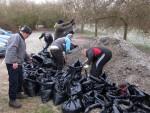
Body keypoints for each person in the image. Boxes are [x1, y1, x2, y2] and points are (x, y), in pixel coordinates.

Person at [5, 25, 32, 108]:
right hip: (13, 63)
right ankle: (12, 100)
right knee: (14, 81)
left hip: (18, 63)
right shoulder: (16, 37)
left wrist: (29, 58)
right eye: (28, 35)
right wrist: (14, 61)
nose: (28, 37)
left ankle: (18, 93)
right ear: (24, 32)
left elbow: (23, 51)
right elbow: (12, 49)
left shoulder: (21, 39)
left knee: (20, 79)